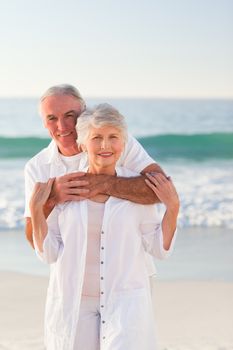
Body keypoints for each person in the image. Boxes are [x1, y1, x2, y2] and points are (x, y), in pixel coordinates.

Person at [30, 104, 179, 350]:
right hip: (74, 304)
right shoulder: (65, 187)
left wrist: (173, 208)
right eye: (96, 138)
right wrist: (37, 210)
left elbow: (159, 249)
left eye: (113, 138)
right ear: (82, 144)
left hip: (126, 301)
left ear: (124, 143)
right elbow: (49, 253)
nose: (105, 146)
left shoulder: (137, 191)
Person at [24, 84, 166, 250]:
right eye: (52, 118)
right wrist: (51, 200)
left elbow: (161, 190)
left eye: (70, 115)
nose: (62, 127)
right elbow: (33, 239)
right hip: (71, 270)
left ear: (84, 112)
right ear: (43, 122)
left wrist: (101, 183)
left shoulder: (115, 144)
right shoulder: (37, 167)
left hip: (126, 267)